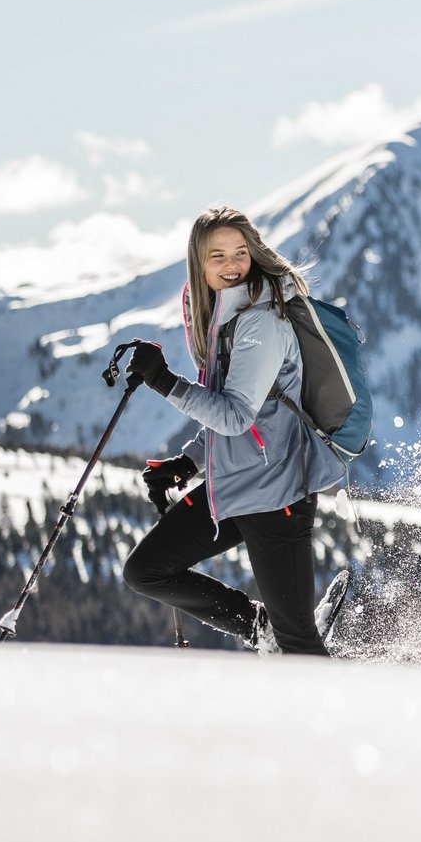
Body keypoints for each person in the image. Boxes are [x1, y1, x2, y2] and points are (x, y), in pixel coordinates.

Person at [120, 205, 349, 656]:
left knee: (299, 643)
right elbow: (238, 416)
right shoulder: (225, 320)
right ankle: (258, 626)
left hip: (276, 491)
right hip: (233, 481)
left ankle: (345, 717)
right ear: (198, 264)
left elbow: (236, 416)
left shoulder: (261, 321)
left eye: (240, 253)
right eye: (217, 256)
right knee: (147, 570)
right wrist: (187, 461)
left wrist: (165, 381)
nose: (231, 265)